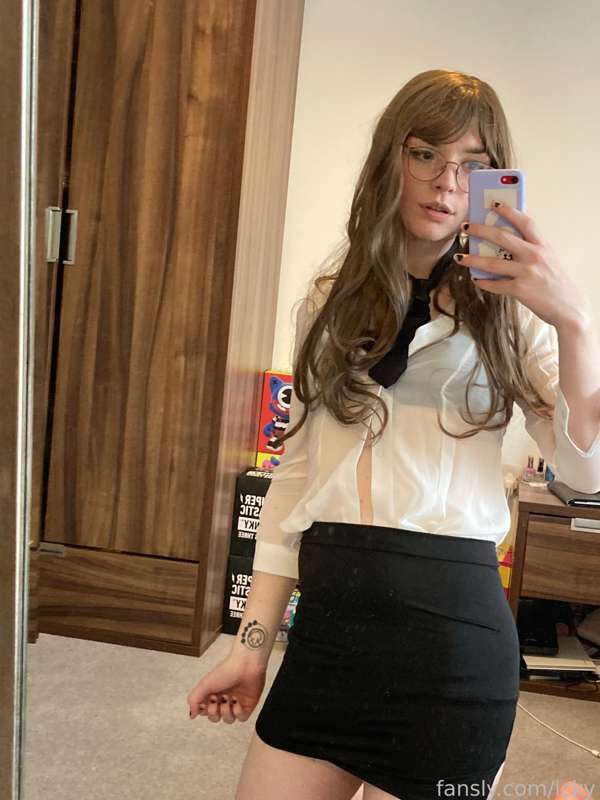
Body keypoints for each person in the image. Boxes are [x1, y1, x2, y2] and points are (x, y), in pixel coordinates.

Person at [186, 69, 600, 800]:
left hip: (450, 653)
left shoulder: (513, 315)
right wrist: (252, 646)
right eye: (426, 154)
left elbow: (587, 471)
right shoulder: (327, 302)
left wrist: (574, 320)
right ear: (391, 159)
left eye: (472, 165)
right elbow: (294, 479)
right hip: (328, 638)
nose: (447, 182)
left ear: (494, 180)